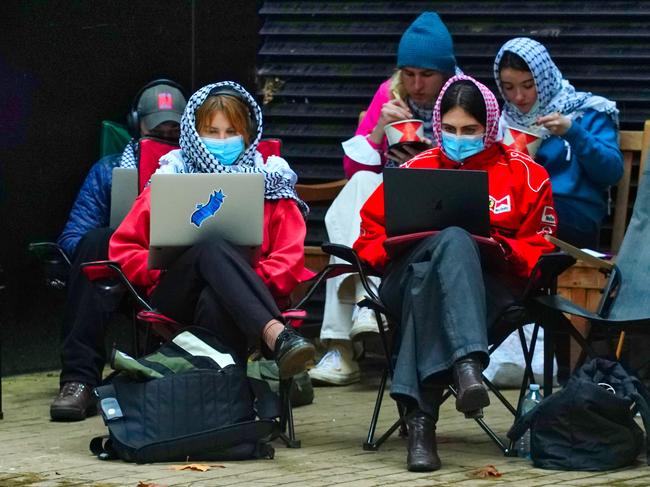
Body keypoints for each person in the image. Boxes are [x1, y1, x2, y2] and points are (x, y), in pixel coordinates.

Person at [353, 75, 557, 471]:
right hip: (404, 276)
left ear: (491, 128)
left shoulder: (527, 175)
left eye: (469, 130)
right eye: (448, 129)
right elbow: (368, 236)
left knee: (430, 279)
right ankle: (467, 365)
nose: (457, 137)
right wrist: (394, 248)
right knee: (450, 243)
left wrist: (502, 248)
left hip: (490, 288)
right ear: (437, 126)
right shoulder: (414, 169)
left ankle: (421, 425)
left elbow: (543, 246)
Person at [108, 81, 315, 388]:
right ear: (194, 135)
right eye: (212, 132)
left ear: (246, 135)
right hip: (176, 295)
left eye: (231, 132)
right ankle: (276, 334)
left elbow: (289, 259)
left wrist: (232, 279)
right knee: (210, 247)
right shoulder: (170, 180)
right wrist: (160, 270)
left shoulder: (272, 185)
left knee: (217, 294)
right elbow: (123, 248)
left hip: (244, 303)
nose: (222, 140)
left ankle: (226, 406)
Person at [310, 12, 459, 386]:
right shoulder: (388, 93)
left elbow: (477, 167)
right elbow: (351, 168)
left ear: (444, 73)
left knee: (363, 192)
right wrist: (378, 129)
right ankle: (360, 305)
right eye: (409, 73)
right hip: (382, 210)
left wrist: (425, 159)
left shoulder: (462, 97)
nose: (416, 84)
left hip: (437, 208)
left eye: (426, 75)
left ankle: (341, 346)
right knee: (360, 183)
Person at [50, 79, 187, 421]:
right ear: (135, 125)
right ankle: (79, 381)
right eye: (158, 128)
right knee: (95, 241)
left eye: (175, 129)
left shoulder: (201, 169)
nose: (166, 136)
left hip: (180, 275)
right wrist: (124, 236)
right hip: (124, 279)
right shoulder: (109, 171)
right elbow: (73, 240)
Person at [493, 37, 623, 249]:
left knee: (522, 216)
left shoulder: (587, 112)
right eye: (508, 87)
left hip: (573, 215)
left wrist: (573, 133)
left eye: (528, 85)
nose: (518, 97)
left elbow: (611, 172)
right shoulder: (504, 122)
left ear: (544, 79)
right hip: (519, 211)